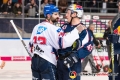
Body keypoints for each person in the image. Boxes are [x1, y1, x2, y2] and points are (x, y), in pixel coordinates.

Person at [28, 4, 85, 80]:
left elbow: (30, 46)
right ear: (48, 15)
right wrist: (76, 31)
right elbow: (64, 42)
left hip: (35, 62)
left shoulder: (36, 27)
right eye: (55, 14)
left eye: (58, 14)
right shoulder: (54, 29)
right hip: (47, 61)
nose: (58, 16)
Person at [57, 4, 94, 80]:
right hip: (60, 63)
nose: (66, 15)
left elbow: (89, 47)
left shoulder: (84, 30)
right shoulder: (64, 27)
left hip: (72, 65)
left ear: (74, 14)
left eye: (68, 12)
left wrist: (74, 57)